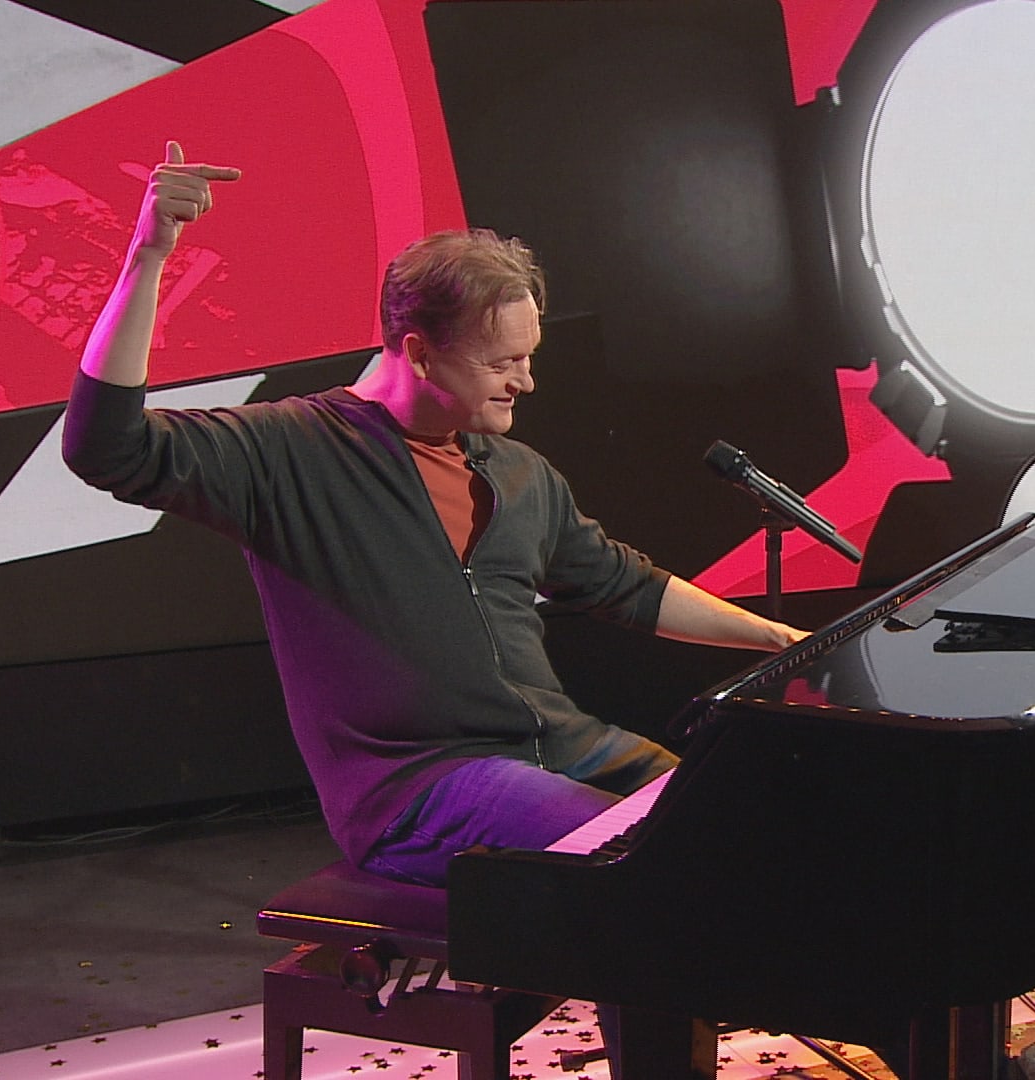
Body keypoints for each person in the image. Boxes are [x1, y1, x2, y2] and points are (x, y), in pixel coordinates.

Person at [63, 142, 806, 892]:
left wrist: (782, 640)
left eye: (528, 356)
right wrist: (149, 258)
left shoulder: (518, 472)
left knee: (742, 813)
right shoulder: (293, 450)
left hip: (561, 745)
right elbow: (108, 448)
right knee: (652, 854)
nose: (526, 381)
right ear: (419, 354)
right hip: (421, 785)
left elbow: (626, 585)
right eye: (501, 363)